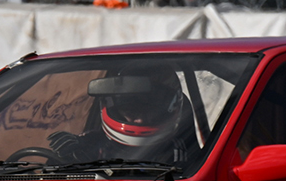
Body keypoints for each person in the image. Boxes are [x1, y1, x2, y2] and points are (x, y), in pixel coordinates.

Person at [47, 70, 196, 165]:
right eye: (130, 111)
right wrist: (66, 158)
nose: (139, 120)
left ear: (169, 109)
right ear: (109, 106)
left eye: (149, 111)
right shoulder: (89, 143)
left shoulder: (179, 152)